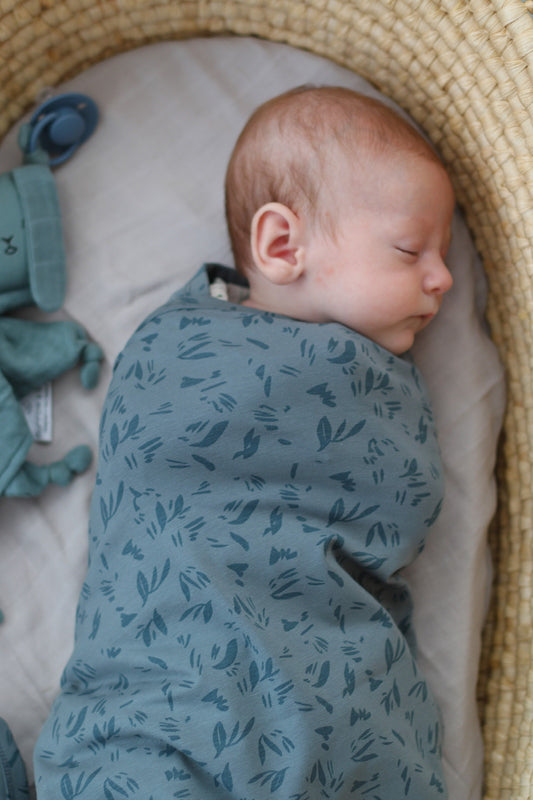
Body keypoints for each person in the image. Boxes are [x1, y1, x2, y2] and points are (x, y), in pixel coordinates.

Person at [34, 86, 454, 799]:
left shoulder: (363, 383)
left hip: (314, 698)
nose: (441, 278)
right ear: (282, 244)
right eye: (410, 249)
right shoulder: (174, 346)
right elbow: (401, 507)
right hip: (163, 689)